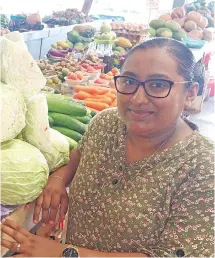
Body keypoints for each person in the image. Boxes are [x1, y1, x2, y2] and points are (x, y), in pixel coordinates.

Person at [1, 38, 214, 257]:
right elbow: (80, 153)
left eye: (158, 85)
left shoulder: (203, 167)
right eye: (129, 81)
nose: (138, 98)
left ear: (190, 93)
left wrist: (61, 252)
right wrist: (59, 179)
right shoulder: (107, 123)